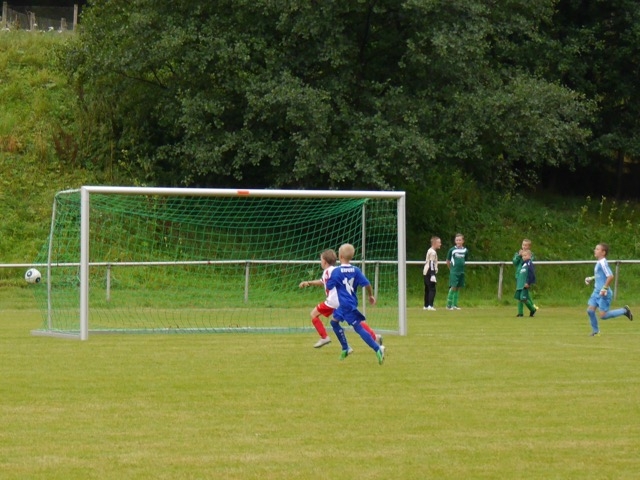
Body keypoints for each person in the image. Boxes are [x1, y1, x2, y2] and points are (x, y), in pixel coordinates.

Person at [299, 249, 382, 349]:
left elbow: (327, 283)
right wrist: (309, 283)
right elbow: (323, 282)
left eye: (321, 260)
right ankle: (375, 337)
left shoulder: (328, 271)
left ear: (324, 261)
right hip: (343, 301)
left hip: (332, 301)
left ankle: (325, 337)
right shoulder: (335, 270)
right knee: (355, 321)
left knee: (313, 314)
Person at [325, 243, 386, 365]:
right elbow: (367, 284)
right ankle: (345, 348)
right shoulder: (356, 270)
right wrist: (370, 295)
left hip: (346, 305)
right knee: (334, 322)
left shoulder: (336, 271)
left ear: (340, 256)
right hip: (347, 304)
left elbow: (329, 286)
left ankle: (377, 348)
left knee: (358, 327)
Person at [584, 243, 633, 336]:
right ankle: (596, 331)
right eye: (595, 249)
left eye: (597, 249)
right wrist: (591, 278)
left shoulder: (603, 262)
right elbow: (600, 275)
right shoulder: (599, 262)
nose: (595, 250)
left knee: (603, 315)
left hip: (603, 293)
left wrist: (604, 288)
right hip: (596, 291)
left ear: (603, 252)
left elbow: (610, 276)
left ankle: (624, 311)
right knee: (590, 310)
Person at [512, 239, 538, 316]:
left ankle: (532, 308)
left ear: (529, 247)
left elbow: (529, 262)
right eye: (523, 245)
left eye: (526, 245)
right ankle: (521, 312)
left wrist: (525, 255)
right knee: (520, 294)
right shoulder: (518, 254)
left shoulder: (530, 254)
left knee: (523, 296)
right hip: (519, 276)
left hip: (525, 277)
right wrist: (519, 256)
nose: (524, 247)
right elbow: (514, 262)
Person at [445, 233, 468, 310]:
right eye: (457, 240)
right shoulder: (452, 250)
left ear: (463, 241)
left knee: (458, 287)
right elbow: (448, 260)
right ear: (455, 241)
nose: (458, 241)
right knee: (453, 286)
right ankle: (448, 305)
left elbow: (465, 259)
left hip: (461, 271)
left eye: (460, 240)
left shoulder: (465, 250)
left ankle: (455, 304)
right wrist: (451, 269)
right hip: (454, 271)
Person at [423, 236, 441, 311]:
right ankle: (430, 305)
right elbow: (431, 263)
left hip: (426, 271)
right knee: (432, 289)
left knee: (427, 289)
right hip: (429, 272)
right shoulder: (433, 252)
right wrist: (432, 274)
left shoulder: (429, 250)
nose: (440, 244)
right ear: (434, 243)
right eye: (439, 242)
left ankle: (426, 305)